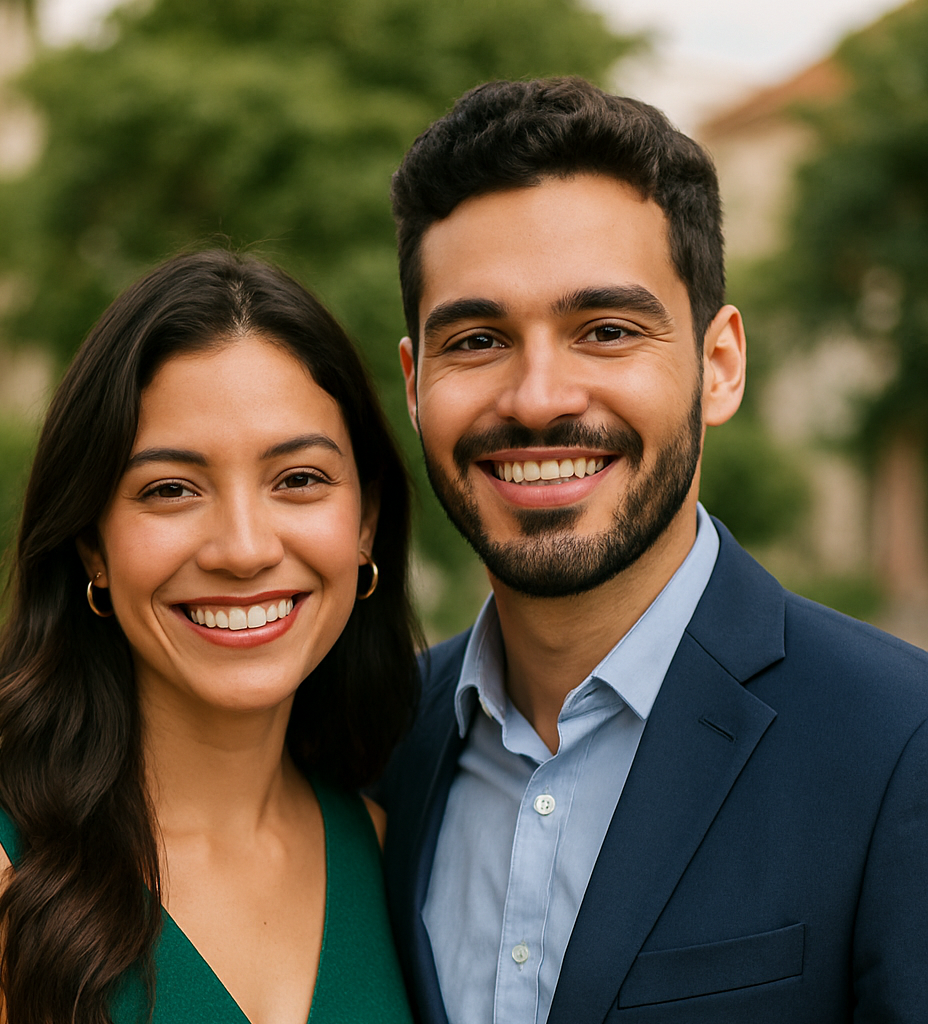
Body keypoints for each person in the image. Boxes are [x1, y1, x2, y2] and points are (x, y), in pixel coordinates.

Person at [376, 77, 928, 1024]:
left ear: (720, 365)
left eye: (606, 330)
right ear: (416, 381)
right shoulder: (374, 747)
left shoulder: (901, 747)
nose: (539, 396)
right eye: (477, 338)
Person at [0, 250, 419, 1024]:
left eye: (298, 480)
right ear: (92, 547)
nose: (243, 549)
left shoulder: (388, 852)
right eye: (170, 489)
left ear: (367, 523)